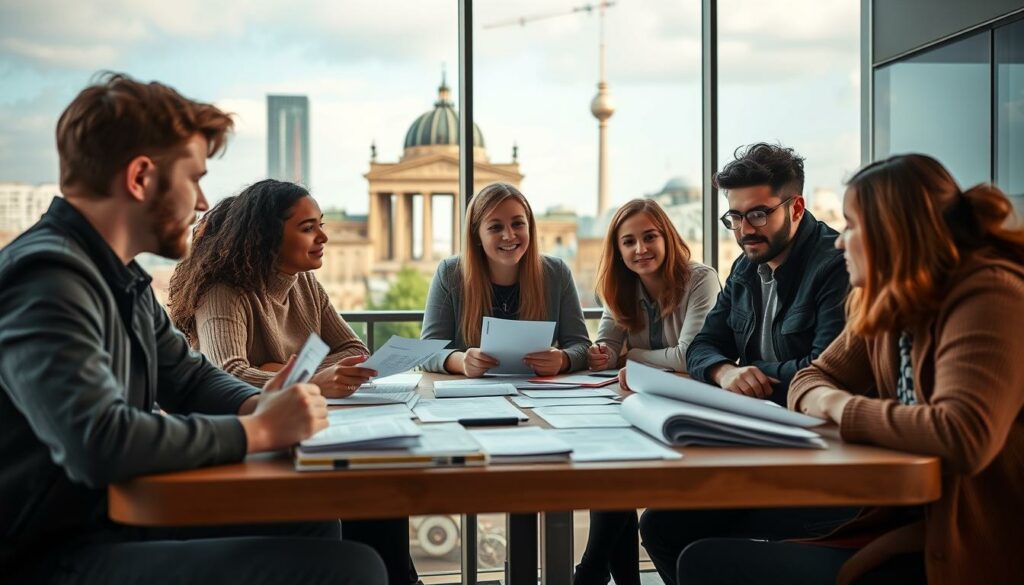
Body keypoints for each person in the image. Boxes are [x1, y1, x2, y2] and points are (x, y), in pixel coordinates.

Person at [0, 73, 385, 585]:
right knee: (353, 569)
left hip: (119, 520)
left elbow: (189, 378)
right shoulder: (46, 278)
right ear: (140, 178)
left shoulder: (121, 277)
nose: (203, 203)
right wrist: (259, 429)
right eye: (194, 178)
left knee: (312, 517)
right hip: (54, 553)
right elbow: (100, 439)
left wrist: (258, 401)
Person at [676, 154, 1024, 585]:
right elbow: (809, 377)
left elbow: (962, 436)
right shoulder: (887, 298)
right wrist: (738, 374)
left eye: (853, 225)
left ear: (896, 230)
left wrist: (835, 403)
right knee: (676, 532)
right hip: (899, 510)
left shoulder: (991, 295)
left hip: (967, 538)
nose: (842, 241)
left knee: (707, 563)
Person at [167, 179, 419, 585]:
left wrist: (274, 368)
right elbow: (226, 373)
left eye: (320, 224)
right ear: (267, 235)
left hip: (307, 430)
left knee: (379, 493)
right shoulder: (223, 292)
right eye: (307, 228)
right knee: (369, 503)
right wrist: (313, 379)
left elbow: (352, 349)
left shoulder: (305, 284)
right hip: (252, 452)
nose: (323, 237)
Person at [639, 143, 855, 585]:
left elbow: (825, 370)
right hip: (759, 446)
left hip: (823, 461)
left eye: (757, 214)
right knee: (660, 525)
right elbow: (702, 347)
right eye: (734, 217)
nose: (743, 229)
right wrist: (726, 372)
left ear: (795, 207)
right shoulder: (744, 267)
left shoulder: (837, 264)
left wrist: (754, 377)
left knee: (696, 547)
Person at [575, 198, 720, 585]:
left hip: (692, 411)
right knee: (611, 469)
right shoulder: (620, 287)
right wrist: (604, 353)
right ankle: (596, 572)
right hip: (642, 405)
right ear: (617, 250)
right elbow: (606, 355)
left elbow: (690, 357)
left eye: (649, 237)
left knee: (617, 476)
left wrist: (630, 355)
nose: (640, 249)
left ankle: (589, 570)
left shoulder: (700, 279)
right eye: (629, 242)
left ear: (667, 237)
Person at [421, 182, 591, 376]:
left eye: (518, 223)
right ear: (477, 235)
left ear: (530, 227)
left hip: (539, 395)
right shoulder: (450, 273)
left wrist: (563, 360)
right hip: (471, 398)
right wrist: (461, 362)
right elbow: (427, 352)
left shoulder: (557, 273)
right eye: (495, 227)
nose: (509, 235)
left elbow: (583, 346)